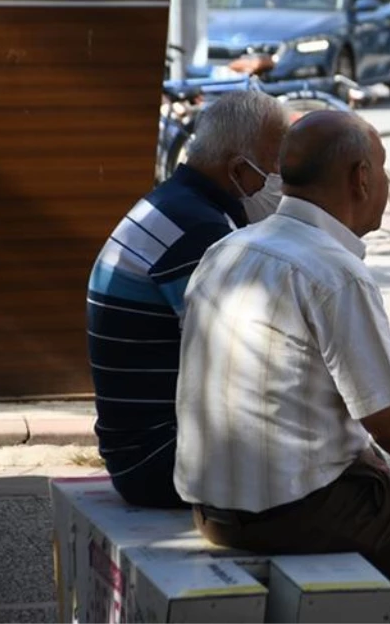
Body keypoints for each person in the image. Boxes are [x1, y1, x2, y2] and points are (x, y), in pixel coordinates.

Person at [174, 111, 390, 624]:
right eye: (384, 169)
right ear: (361, 177)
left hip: (213, 507)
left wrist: (360, 454)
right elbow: (389, 421)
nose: (387, 183)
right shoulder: (334, 272)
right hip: (290, 513)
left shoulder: (228, 248)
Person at [86, 91, 288, 508]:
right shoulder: (198, 231)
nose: (279, 179)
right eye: (273, 166)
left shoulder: (177, 203)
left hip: (143, 450)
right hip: (160, 460)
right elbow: (247, 363)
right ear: (237, 168)